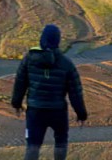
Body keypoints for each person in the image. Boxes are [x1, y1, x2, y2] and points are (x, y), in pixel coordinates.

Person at [11, 24, 88, 160]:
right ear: (58, 41)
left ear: (42, 39)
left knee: (33, 146)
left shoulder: (29, 59)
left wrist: (16, 103)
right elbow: (75, 92)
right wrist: (81, 113)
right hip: (58, 111)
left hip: (35, 111)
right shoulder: (66, 64)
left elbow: (20, 83)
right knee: (61, 143)